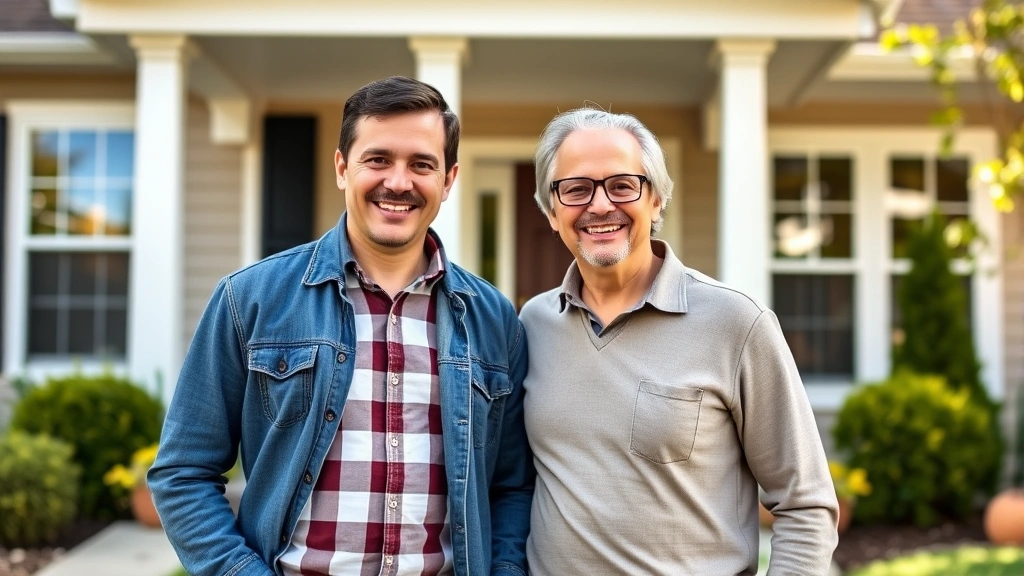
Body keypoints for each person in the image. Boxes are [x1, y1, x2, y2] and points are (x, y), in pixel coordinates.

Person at [149, 76, 534, 576]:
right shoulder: (250, 300)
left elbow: (511, 485)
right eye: (377, 160)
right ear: (341, 168)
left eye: (422, 164)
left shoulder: (493, 319)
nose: (398, 182)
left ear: (449, 178)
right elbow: (183, 471)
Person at [519, 108, 838, 574]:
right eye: (576, 189)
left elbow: (805, 505)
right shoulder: (533, 324)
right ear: (552, 212)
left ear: (657, 200)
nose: (601, 205)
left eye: (623, 184)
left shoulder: (736, 324)